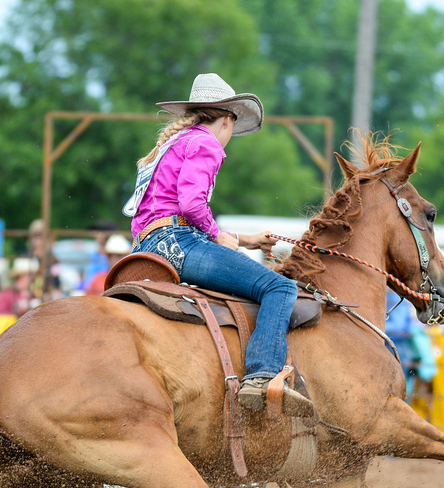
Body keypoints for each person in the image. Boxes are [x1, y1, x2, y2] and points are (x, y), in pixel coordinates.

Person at [124, 72, 313, 417]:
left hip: (148, 246)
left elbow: (169, 210)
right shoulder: (207, 143)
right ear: (228, 119)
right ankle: (262, 376)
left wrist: (244, 240)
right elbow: (192, 205)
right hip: (178, 244)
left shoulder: (174, 144)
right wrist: (216, 233)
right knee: (280, 288)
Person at [83, 219, 118, 286]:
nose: (97, 235)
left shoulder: (120, 250)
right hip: (95, 288)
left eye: (100, 232)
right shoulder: (96, 253)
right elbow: (90, 277)